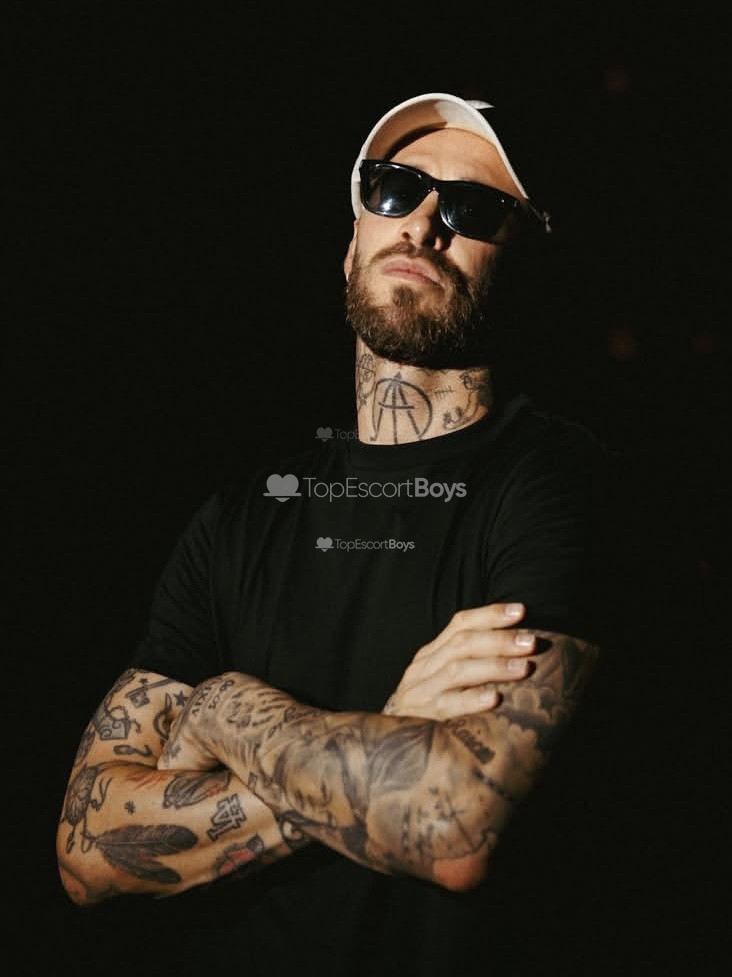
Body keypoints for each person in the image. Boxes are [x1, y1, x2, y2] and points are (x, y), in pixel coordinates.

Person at [56, 92, 612, 975]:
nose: (422, 224)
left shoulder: (555, 481)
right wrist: (395, 728)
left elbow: (453, 823)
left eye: (473, 209)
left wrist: (220, 710)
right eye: (394, 189)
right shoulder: (241, 517)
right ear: (352, 244)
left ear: (523, 264)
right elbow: (88, 849)